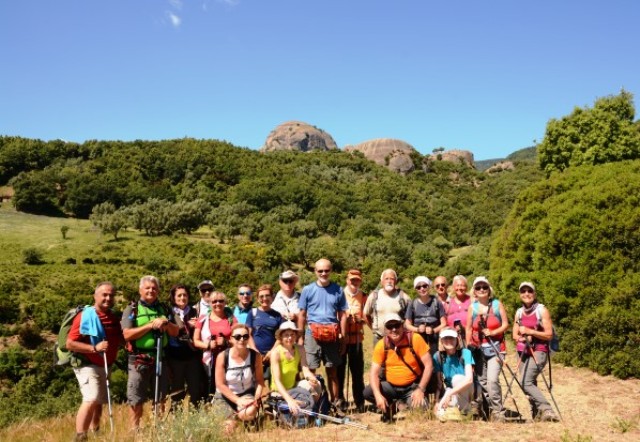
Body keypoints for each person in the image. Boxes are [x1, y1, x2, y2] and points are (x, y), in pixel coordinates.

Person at [66, 282, 123, 441]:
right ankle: (80, 436)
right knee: (91, 398)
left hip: (105, 365)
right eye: (104, 294)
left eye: (111, 295)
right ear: (95, 296)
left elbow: (119, 337)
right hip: (87, 364)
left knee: (99, 401)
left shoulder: (112, 316)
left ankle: (95, 432)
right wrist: (94, 348)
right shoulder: (85, 316)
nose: (108, 298)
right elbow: (70, 343)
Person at [121, 276, 179, 430]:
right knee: (136, 396)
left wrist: (166, 323)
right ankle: (135, 430)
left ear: (158, 291)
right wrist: (150, 325)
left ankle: (157, 426)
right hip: (138, 359)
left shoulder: (165, 309)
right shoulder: (131, 309)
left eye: (154, 288)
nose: (151, 291)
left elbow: (176, 332)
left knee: (160, 396)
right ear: (140, 290)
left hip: (161, 358)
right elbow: (126, 334)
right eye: (147, 288)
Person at [363, 313, 433, 422]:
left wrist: (420, 389)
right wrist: (377, 396)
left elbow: (429, 365)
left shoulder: (415, 339)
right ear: (385, 329)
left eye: (397, 325)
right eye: (390, 326)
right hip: (391, 387)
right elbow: (374, 373)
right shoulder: (381, 345)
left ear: (402, 326)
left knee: (422, 410)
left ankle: (403, 405)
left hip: (412, 386)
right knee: (368, 392)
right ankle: (394, 405)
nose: (394, 329)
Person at [297, 258, 348, 406]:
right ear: (315, 271)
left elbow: (343, 315)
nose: (323, 273)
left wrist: (343, 337)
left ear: (331, 270)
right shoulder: (307, 290)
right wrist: (300, 337)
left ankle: (335, 403)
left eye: (326, 270)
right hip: (312, 334)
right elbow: (302, 314)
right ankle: (311, 403)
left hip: (332, 335)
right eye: (320, 271)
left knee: (332, 372)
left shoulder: (338, 290)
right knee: (310, 370)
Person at [512, 282, 559, 422]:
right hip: (522, 351)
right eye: (523, 291)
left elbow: (549, 334)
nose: (526, 294)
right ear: (520, 294)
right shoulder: (519, 312)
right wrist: (521, 337)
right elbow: (514, 335)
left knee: (525, 382)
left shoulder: (541, 310)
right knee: (529, 382)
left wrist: (531, 332)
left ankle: (547, 409)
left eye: (529, 291)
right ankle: (536, 413)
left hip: (539, 351)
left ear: (534, 293)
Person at [465, 276, 509, 422]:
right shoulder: (473, 307)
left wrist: (493, 332)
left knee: (492, 380)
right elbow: (469, 328)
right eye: (478, 287)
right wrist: (467, 348)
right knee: (482, 382)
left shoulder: (497, 304)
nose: (482, 290)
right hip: (478, 350)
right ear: (474, 291)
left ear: (489, 290)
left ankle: (498, 411)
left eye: (484, 287)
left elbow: (505, 325)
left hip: (496, 348)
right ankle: (488, 410)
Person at [213, 323, 265, 433]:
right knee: (227, 430)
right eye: (237, 337)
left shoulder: (255, 356)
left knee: (249, 413)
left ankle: (242, 418)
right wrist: (237, 400)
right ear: (231, 339)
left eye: (245, 336)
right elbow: (220, 384)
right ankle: (233, 419)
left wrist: (256, 398)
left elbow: (260, 381)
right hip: (225, 397)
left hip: (246, 393)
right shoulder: (222, 356)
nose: (242, 339)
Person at [270, 321, 320, 417]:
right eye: (286, 335)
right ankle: (303, 407)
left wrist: (312, 379)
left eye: (292, 334)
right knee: (292, 409)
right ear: (281, 337)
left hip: (294, 389)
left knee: (316, 385)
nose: (290, 338)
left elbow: (305, 369)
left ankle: (312, 409)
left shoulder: (300, 349)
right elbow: (277, 381)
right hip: (279, 393)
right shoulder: (276, 353)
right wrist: (289, 400)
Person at [165, 284, 204, 407]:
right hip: (175, 356)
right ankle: (177, 420)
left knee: (195, 389)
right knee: (177, 390)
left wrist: (197, 325)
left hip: (193, 355)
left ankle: (195, 418)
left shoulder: (195, 311)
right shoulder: (168, 312)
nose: (182, 298)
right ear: (173, 297)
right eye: (179, 295)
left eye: (185, 295)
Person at [193, 291, 237, 396]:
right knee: (208, 387)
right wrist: (208, 345)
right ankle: (208, 408)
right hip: (208, 359)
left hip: (227, 358)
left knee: (225, 385)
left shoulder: (231, 318)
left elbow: (237, 339)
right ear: (209, 303)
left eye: (221, 301)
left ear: (225, 302)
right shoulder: (203, 318)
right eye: (214, 301)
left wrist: (226, 342)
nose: (217, 304)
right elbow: (195, 341)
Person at [336, 269, 368, 411]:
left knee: (357, 371)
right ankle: (340, 400)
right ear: (347, 280)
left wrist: (360, 320)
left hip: (356, 339)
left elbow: (367, 317)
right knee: (339, 371)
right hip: (342, 338)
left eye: (357, 280)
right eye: (352, 279)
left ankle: (359, 401)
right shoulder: (338, 294)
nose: (354, 282)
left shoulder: (364, 296)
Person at [433, 327, 475, 421]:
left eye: (451, 338)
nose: (449, 341)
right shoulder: (438, 356)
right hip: (451, 390)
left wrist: (450, 394)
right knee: (440, 408)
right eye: (445, 338)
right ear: (441, 340)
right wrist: (437, 401)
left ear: (457, 339)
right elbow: (440, 383)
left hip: (469, 389)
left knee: (457, 379)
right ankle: (452, 410)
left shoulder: (466, 353)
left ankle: (465, 412)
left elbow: (469, 380)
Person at [246, 284, 284, 381]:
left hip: (272, 354)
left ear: (272, 297)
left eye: (267, 295)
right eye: (261, 296)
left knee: (273, 383)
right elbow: (248, 334)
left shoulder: (277, 315)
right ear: (258, 298)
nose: (264, 298)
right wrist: (255, 351)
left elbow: (281, 336)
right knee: (254, 383)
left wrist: (271, 352)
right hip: (255, 354)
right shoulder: (252, 313)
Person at [363, 268, 411, 345]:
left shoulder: (404, 297)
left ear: (396, 281)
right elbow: (365, 314)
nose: (389, 281)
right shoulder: (374, 296)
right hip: (379, 338)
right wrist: (373, 329)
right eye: (386, 279)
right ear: (382, 281)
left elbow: (410, 318)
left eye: (392, 279)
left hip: (398, 339)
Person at [404, 276, 447, 355]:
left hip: (434, 338)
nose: (422, 289)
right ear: (416, 289)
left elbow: (444, 323)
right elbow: (407, 324)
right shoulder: (412, 304)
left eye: (424, 286)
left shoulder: (437, 302)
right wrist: (417, 329)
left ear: (429, 286)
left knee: (435, 360)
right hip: (418, 338)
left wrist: (433, 330)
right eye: (418, 287)